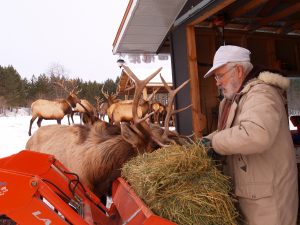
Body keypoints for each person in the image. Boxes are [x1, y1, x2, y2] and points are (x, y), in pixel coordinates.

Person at [203, 45, 298, 225]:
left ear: (238, 70)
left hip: (268, 201)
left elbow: (255, 134)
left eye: (220, 75)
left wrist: (214, 143)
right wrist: (205, 141)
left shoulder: (261, 94)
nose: (217, 82)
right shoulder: (235, 100)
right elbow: (229, 132)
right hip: (252, 194)